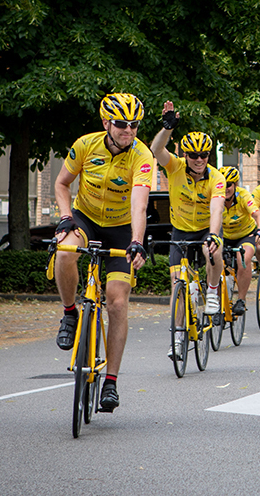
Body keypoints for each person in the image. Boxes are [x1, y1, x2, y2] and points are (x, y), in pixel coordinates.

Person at [52, 93, 152, 413]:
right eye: (122, 124)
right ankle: (70, 313)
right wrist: (65, 216)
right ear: (106, 123)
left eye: (134, 125)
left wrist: (137, 240)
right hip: (86, 218)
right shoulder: (85, 145)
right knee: (65, 252)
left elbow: (139, 204)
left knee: (117, 302)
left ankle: (110, 381)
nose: (129, 130)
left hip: (121, 227)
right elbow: (62, 184)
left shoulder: (142, 155)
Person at [149, 101, 227, 360]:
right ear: (185, 155)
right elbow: (156, 149)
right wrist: (167, 128)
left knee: (213, 249)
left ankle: (212, 291)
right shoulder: (174, 167)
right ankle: (178, 338)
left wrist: (214, 234)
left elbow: (217, 209)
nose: (199, 159)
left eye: (204, 155)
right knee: (178, 286)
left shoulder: (216, 177)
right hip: (180, 231)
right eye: (193, 155)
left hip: (206, 229)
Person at [219, 166, 260, 317]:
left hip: (245, 235)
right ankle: (217, 303)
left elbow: (258, 216)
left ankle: (241, 300)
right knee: (214, 260)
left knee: (243, 258)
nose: (225, 189)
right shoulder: (215, 197)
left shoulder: (243, 196)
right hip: (224, 236)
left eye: (229, 185)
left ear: (235, 185)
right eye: (222, 185)